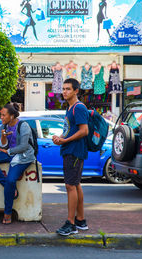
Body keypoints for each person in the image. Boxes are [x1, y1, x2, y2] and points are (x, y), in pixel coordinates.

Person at [0, 103, 35, 224]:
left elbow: (24, 146)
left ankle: (7, 213)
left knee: (12, 180)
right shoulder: (3, 126)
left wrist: (8, 151)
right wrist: (3, 138)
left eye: (3, 115)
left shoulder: (23, 126)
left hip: (23, 155)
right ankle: (10, 187)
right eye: (0, 115)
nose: (1, 117)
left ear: (11, 116)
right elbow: (2, 146)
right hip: (9, 153)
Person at [52, 78, 89, 236]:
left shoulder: (78, 108)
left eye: (68, 89)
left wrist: (65, 140)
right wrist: (60, 138)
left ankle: (71, 223)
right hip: (70, 149)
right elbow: (70, 130)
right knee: (75, 184)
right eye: (64, 89)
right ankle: (80, 220)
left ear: (76, 91)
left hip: (74, 151)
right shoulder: (70, 108)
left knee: (70, 186)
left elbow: (84, 131)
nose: (64, 91)